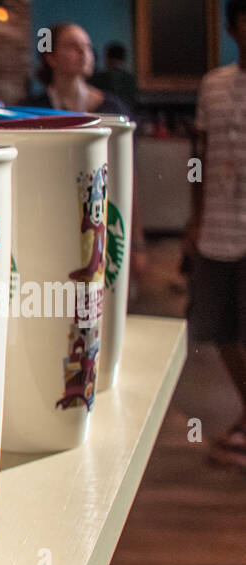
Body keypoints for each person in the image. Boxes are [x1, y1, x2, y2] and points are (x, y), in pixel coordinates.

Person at [185, 0, 246, 469]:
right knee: (218, 329)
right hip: (218, 228)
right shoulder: (214, 84)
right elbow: (200, 158)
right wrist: (194, 218)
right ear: (233, 27)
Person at [22, 23, 127, 115]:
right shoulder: (31, 110)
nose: (83, 52)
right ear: (51, 58)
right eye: (72, 46)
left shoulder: (112, 108)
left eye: (87, 46)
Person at [91, 43, 139, 115]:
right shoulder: (130, 78)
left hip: (104, 119)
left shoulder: (99, 77)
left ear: (107, 58)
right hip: (128, 119)